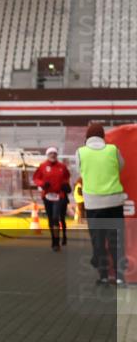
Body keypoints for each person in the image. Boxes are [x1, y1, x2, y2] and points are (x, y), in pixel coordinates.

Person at [76, 122, 127, 286]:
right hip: (114, 202)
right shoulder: (113, 150)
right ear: (103, 136)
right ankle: (119, 277)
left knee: (98, 241)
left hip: (93, 204)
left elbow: (80, 171)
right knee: (116, 241)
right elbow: (121, 166)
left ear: (87, 137)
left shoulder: (81, 152)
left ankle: (103, 275)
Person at [33, 147, 71, 251]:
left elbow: (67, 176)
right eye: (51, 154)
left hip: (59, 196)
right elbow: (36, 178)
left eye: (54, 153)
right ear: (47, 155)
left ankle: (57, 241)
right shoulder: (43, 166)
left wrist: (65, 184)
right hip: (47, 196)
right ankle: (53, 240)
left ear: (57, 155)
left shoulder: (62, 166)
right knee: (50, 219)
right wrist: (42, 184)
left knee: (55, 217)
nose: (53, 155)